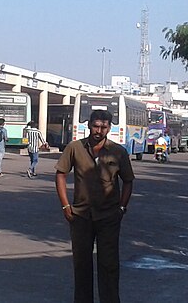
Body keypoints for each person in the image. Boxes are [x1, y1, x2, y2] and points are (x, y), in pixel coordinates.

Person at [56, 109, 134, 303]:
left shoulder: (118, 151)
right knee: (81, 264)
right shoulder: (75, 148)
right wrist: (66, 206)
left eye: (104, 127)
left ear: (109, 128)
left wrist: (122, 208)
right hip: (80, 216)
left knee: (108, 264)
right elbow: (60, 174)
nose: (99, 130)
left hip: (109, 217)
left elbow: (128, 181)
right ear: (89, 125)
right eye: (95, 126)